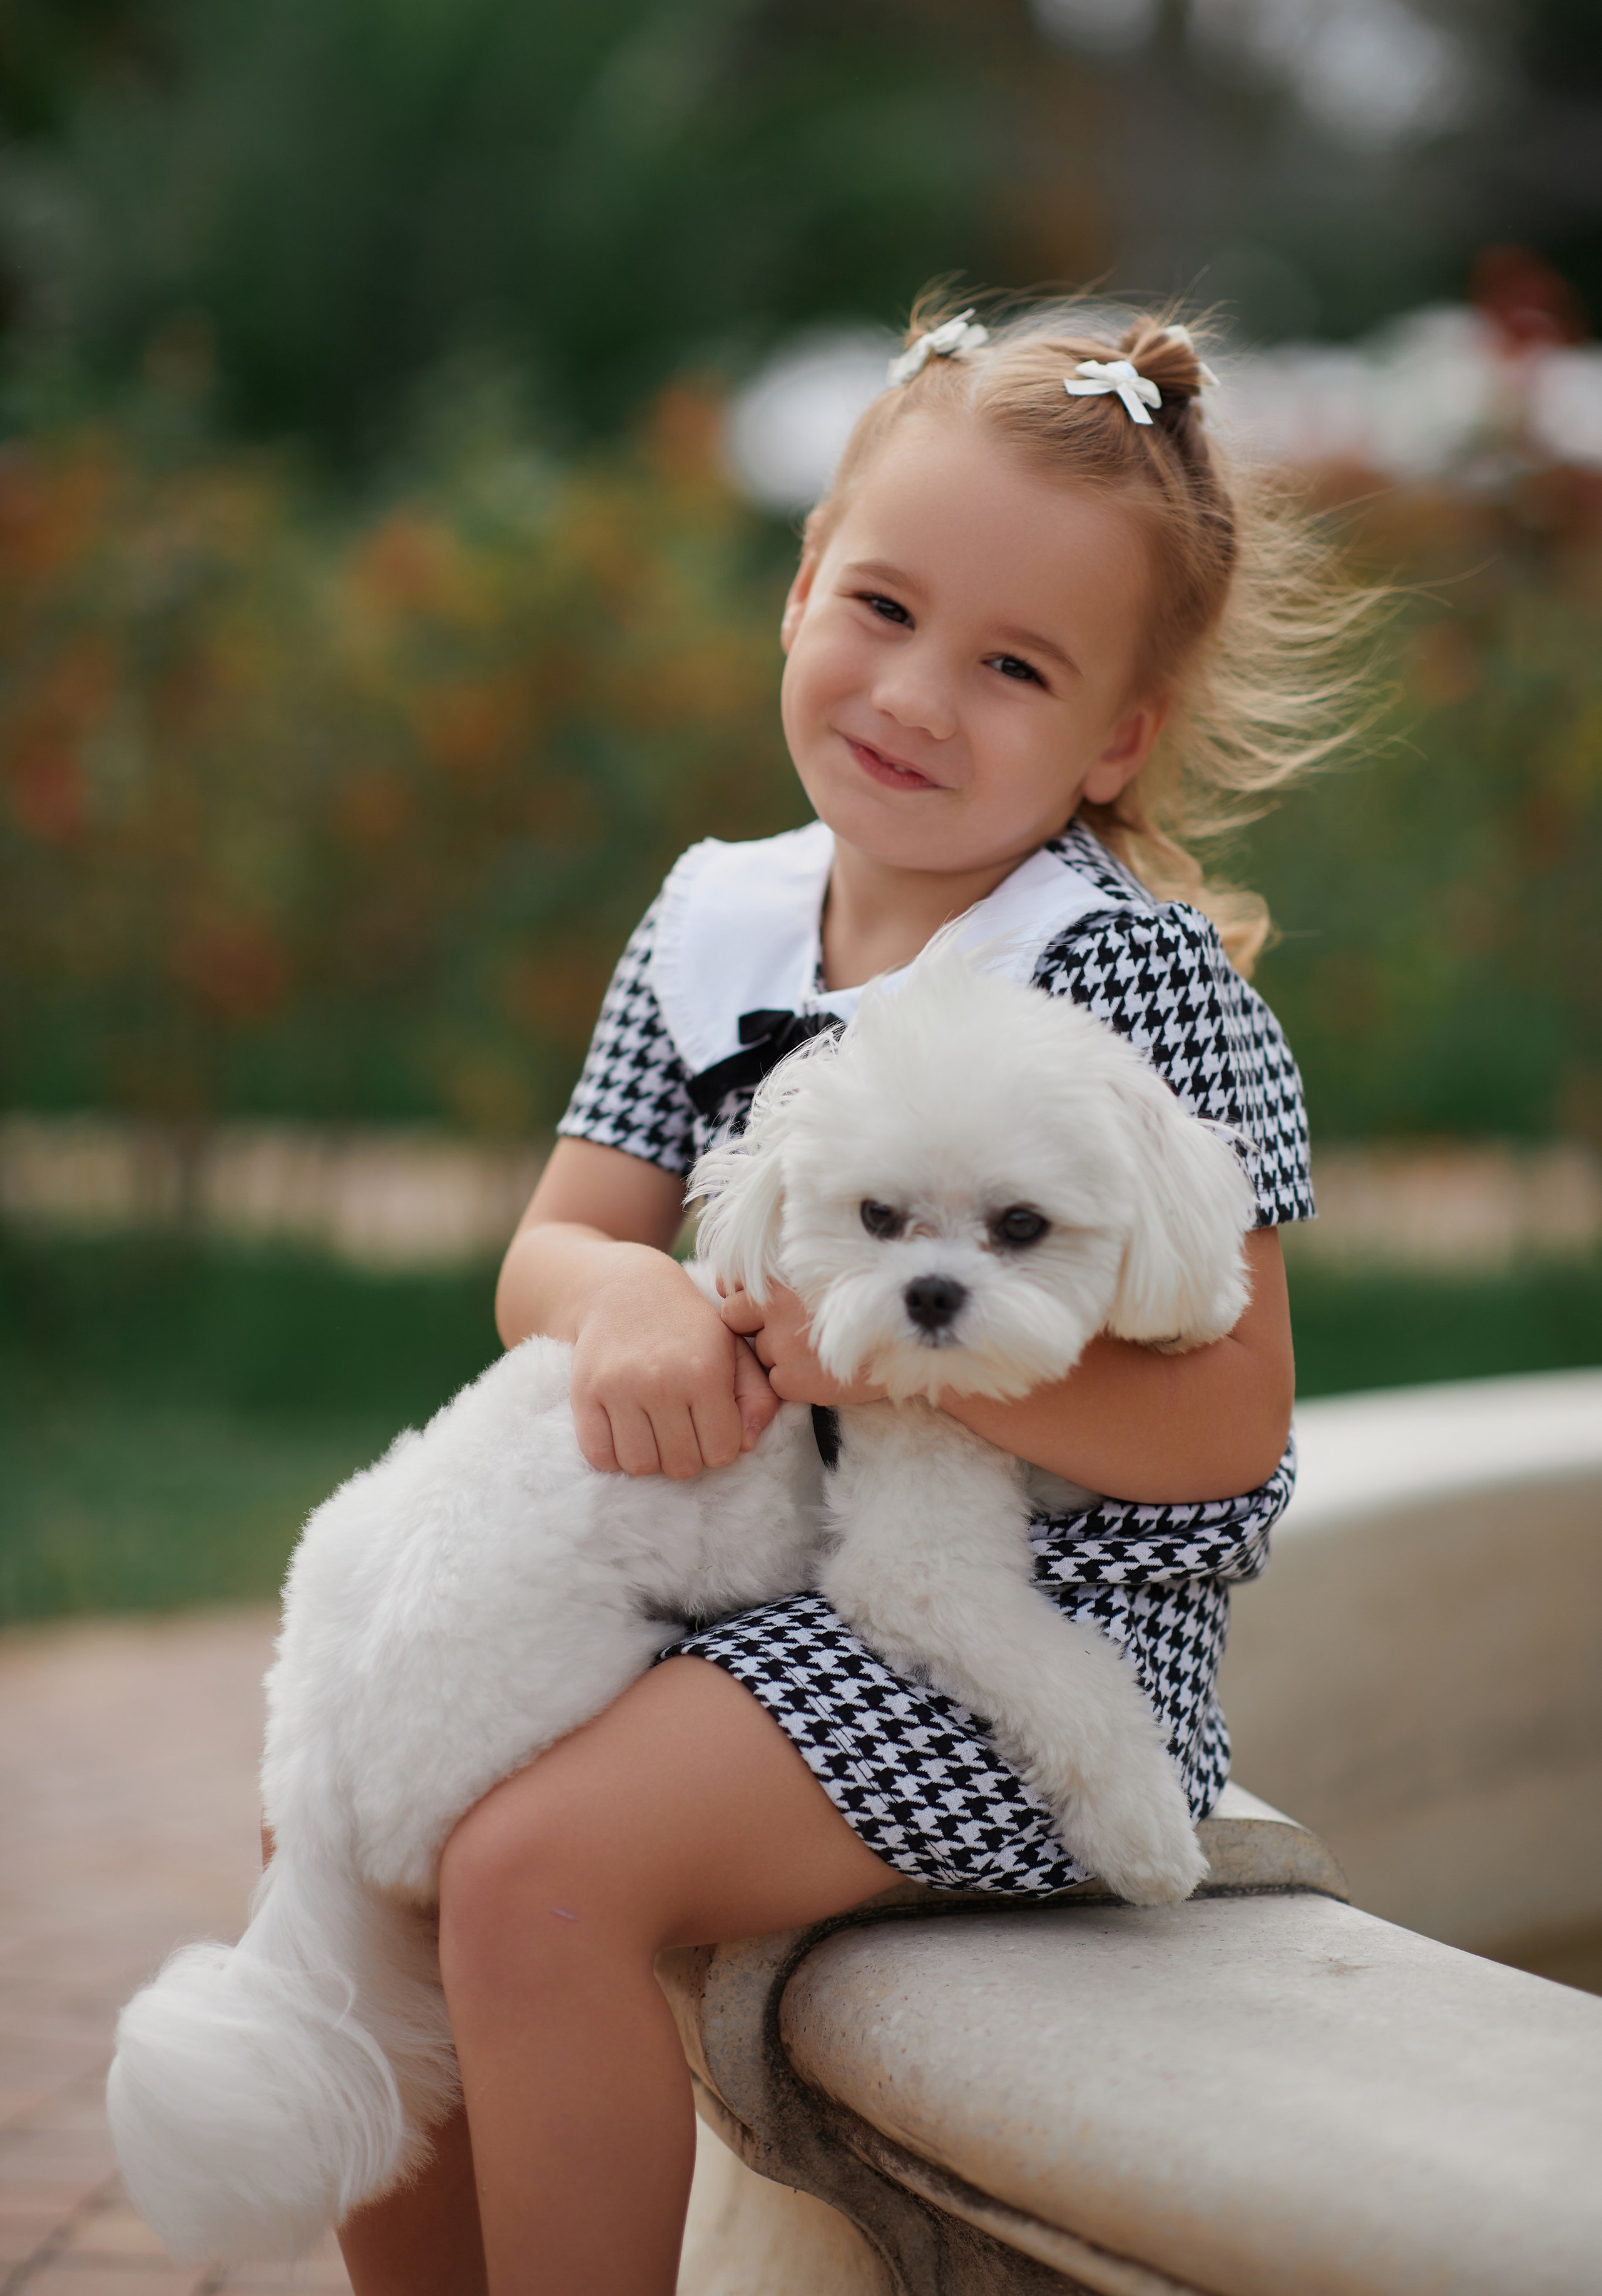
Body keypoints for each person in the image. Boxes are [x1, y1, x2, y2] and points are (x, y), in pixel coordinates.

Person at [336, 299, 1370, 2295]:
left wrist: (897, 1363)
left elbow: (1232, 1418)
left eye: (1014, 666)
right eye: (883, 608)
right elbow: (552, 1247)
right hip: (729, 1578)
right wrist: (626, 1306)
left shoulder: (1128, 974)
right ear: (805, 580)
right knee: (357, 1826)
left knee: (541, 1872)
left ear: (1118, 736)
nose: (915, 695)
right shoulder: (717, 914)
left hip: (1028, 1646)